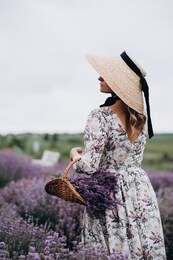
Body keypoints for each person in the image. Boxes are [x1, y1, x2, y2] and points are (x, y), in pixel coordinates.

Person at [70, 51, 166, 259]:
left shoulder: (100, 116)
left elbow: (88, 167)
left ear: (119, 83)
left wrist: (75, 154)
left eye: (105, 74)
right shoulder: (141, 118)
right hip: (139, 189)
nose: (99, 77)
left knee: (111, 248)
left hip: (109, 190)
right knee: (142, 243)